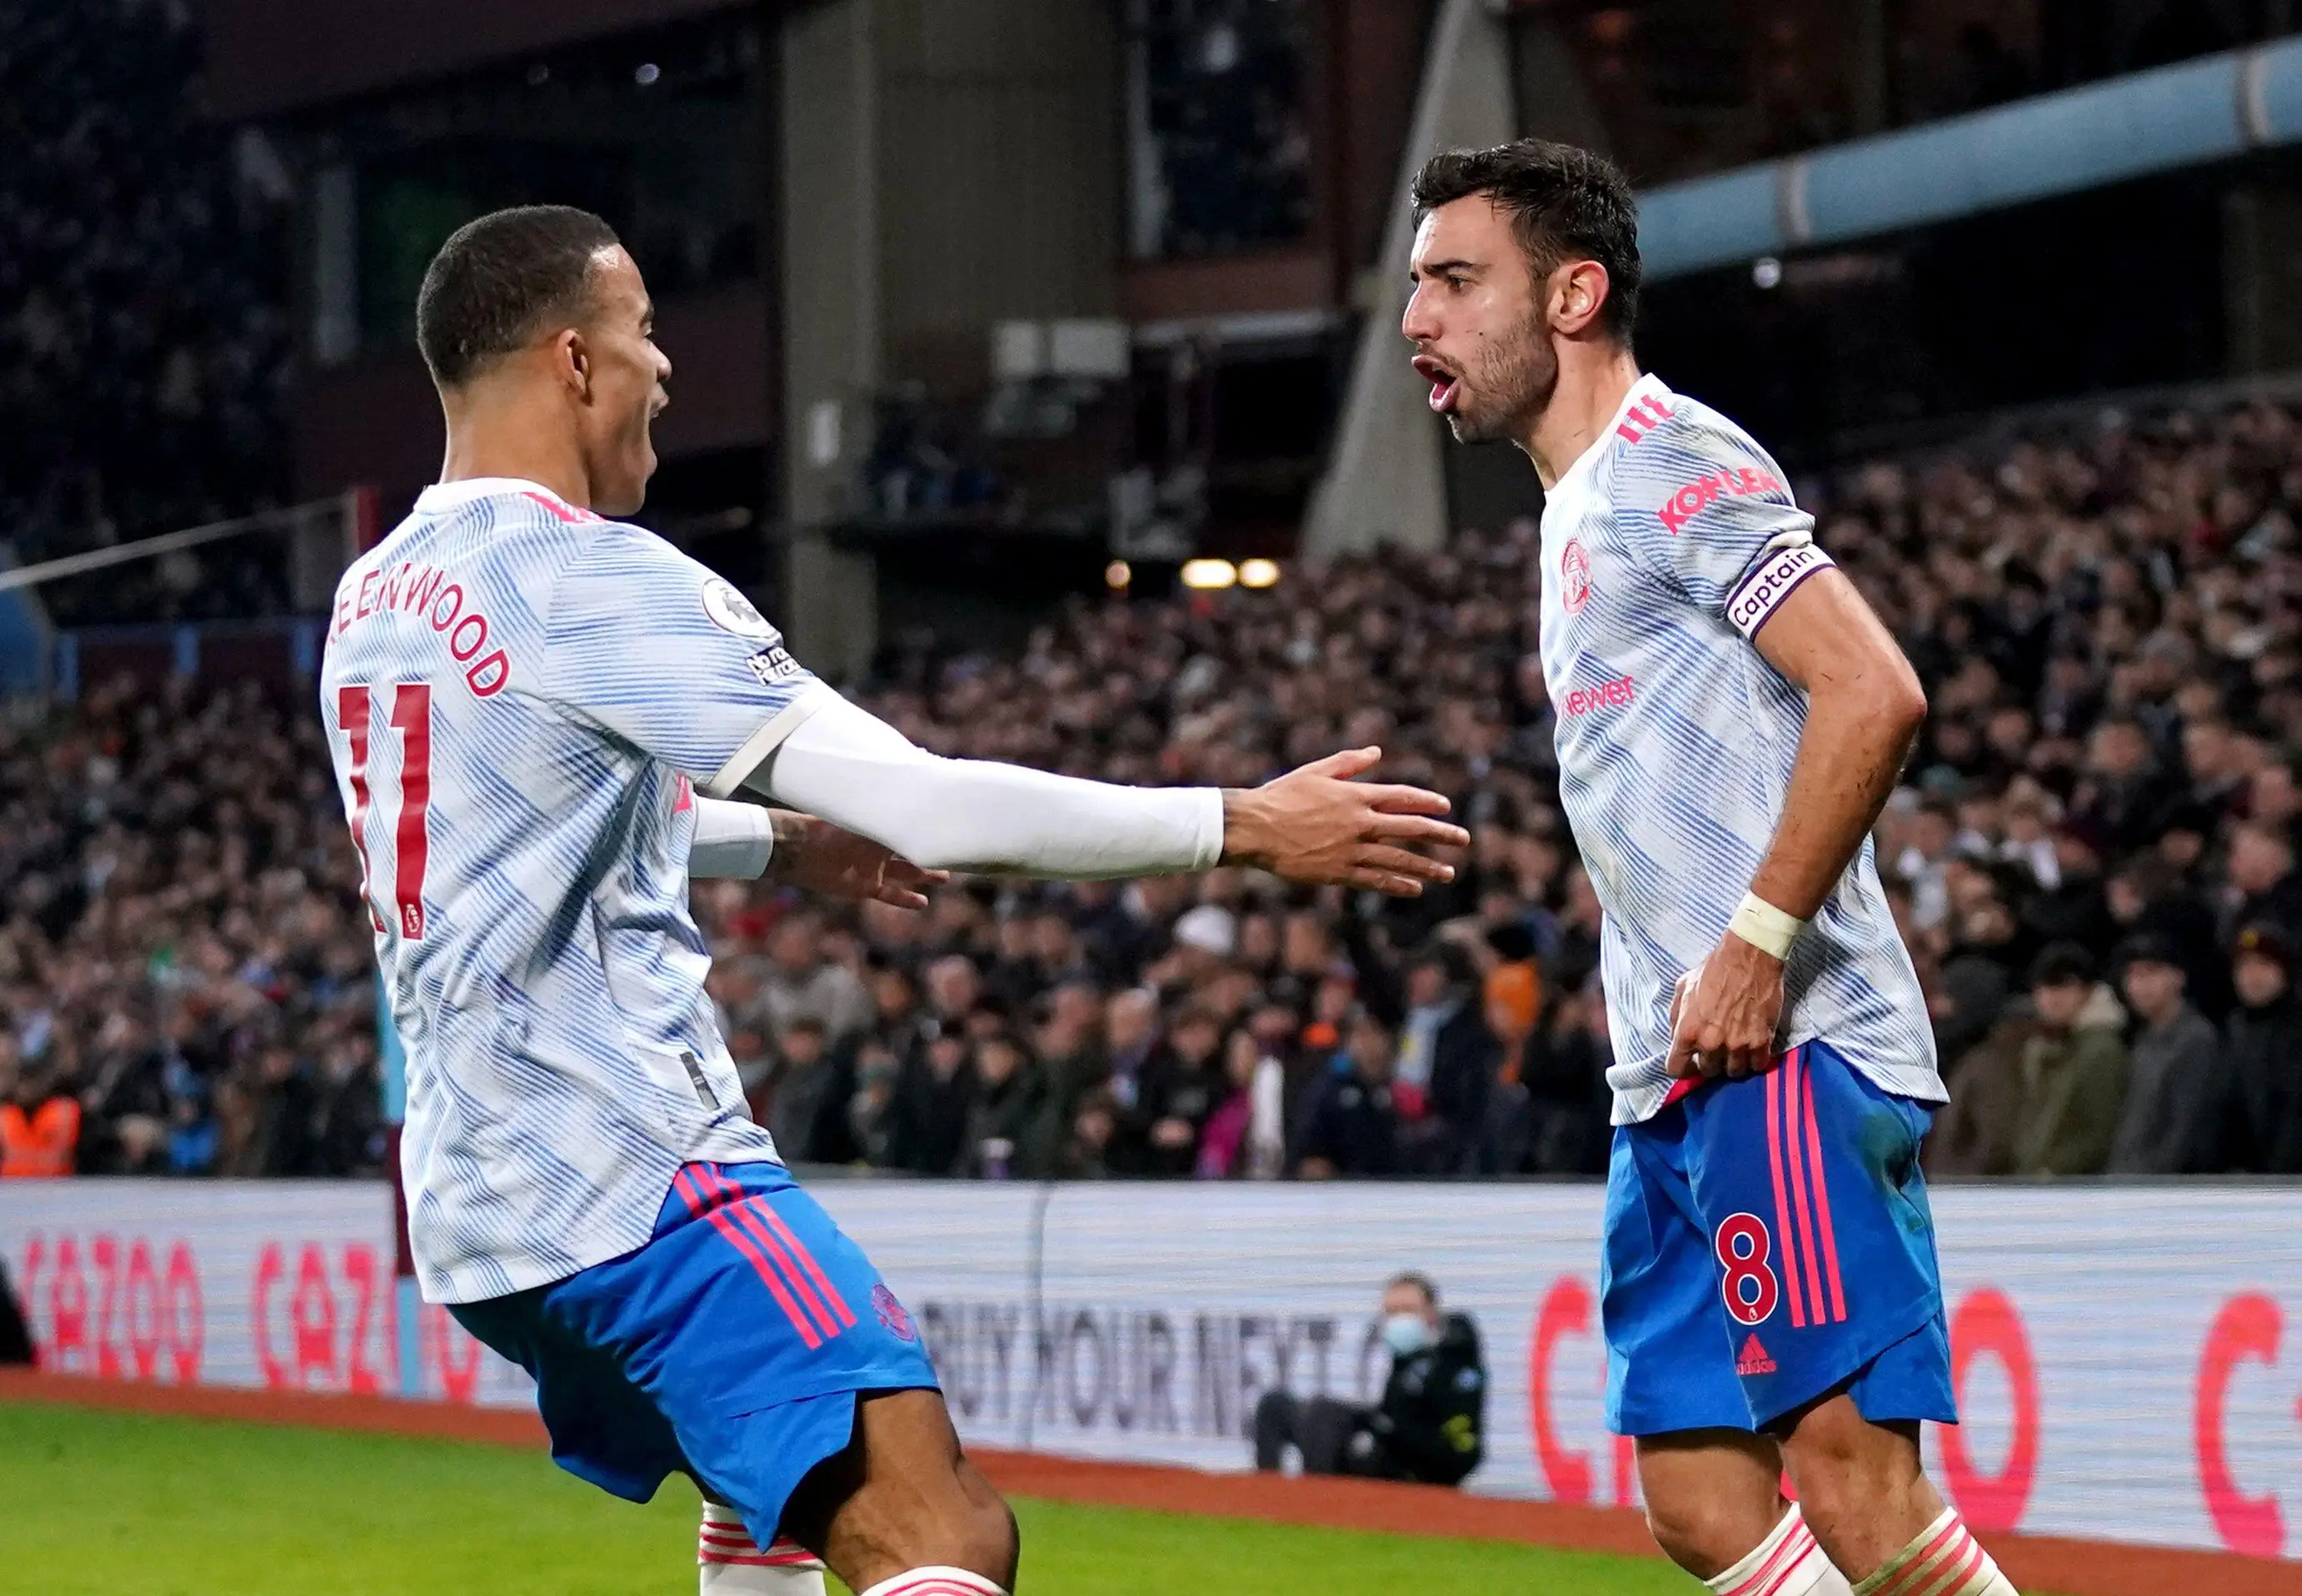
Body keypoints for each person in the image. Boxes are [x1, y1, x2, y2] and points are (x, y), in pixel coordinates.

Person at [320, 206, 1468, 1596]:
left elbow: (526, 826)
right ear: (572, 360)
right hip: (631, 1180)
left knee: (772, 1499)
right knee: (941, 1530)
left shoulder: (374, 597)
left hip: (478, 1209)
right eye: (642, 334)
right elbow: (926, 804)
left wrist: (771, 846)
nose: (663, 369)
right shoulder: (585, 579)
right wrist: (1241, 825)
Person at [1406, 142, 2014, 1595]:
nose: (1417, 318)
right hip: (1668, 1076)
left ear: (1571, 295)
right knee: (1695, 1499)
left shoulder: (1668, 458)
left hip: (1785, 1050)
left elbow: (1872, 689)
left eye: (1453, 280)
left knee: (1856, 1485)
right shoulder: (1571, 505)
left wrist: (1754, 943)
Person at [1251, 1273, 1485, 1486]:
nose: (1399, 1320)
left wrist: (1385, 1427)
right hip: (1387, 1441)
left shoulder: (1453, 1362)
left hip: (1412, 1467)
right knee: (1277, 1406)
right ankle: (1269, 1495)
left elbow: (1459, 1450)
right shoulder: (1405, 1358)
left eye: (1408, 1310)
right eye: (1391, 1312)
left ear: (1431, 1313)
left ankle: (1319, 1499)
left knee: (1326, 1418)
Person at [2105, 935, 2228, 1175]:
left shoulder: (2196, 1041)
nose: (2141, 985)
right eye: (2133, 975)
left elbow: (2184, 1132)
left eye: (2151, 973)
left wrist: (2152, 1185)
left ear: (2178, 977)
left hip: (2163, 1187)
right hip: (2125, 1180)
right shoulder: (2143, 1039)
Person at [2005, 944, 2128, 1176]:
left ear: (2087, 990)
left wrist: (2052, 1170)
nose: (2052, 998)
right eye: (2045, 987)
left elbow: (2099, 1130)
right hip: (2038, 1180)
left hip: (2071, 1185)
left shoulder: (2100, 1049)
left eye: (2064, 986)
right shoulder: (2046, 1046)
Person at [2225, 923, 2302, 1173]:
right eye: (2243, 966)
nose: (2252, 975)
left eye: (2264, 964)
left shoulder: (2294, 1031)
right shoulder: (2236, 1028)